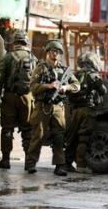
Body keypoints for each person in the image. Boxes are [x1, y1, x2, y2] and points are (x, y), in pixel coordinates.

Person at [24, 39, 80, 176]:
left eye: (57, 52)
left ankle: (59, 165)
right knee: (38, 135)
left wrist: (65, 87)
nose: (55, 54)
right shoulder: (41, 68)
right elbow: (33, 87)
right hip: (42, 106)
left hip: (58, 107)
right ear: (48, 52)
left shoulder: (63, 70)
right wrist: (49, 86)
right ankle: (30, 163)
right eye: (52, 51)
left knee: (59, 137)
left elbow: (77, 85)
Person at [0, 30, 36, 170]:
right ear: (26, 42)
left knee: (7, 129)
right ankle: (29, 163)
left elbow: (0, 79)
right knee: (27, 130)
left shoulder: (8, 57)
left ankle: (5, 160)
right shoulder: (33, 58)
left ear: (15, 42)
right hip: (27, 98)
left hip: (10, 97)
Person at [65, 51, 107, 174]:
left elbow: (68, 91)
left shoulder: (75, 75)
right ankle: (81, 165)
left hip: (75, 110)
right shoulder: (94, 75)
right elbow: (103, 91)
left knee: (71, 138)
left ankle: (66, 163)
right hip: (88, 110)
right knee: (83, 138)